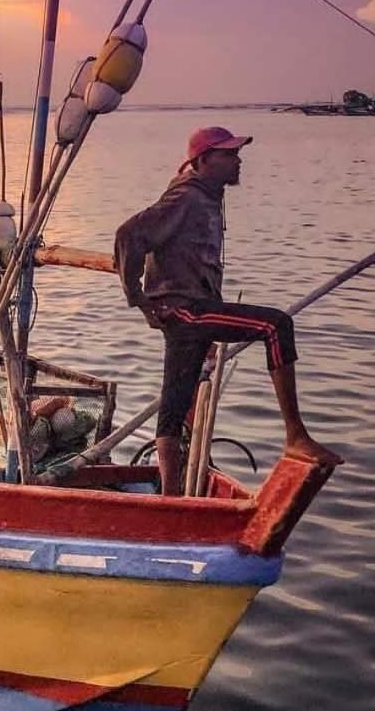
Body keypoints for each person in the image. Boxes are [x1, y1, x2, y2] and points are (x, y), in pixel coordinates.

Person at [114, 126, 342, 496]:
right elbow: (129, 235)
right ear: (203, 161)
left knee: (173, 408)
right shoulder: (186, 197)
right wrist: (138, 297)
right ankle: (296, 434)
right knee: (276, 326)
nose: (238, 161)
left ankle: (171, 501)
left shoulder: (207, 194)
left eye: (236, 154)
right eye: (229, 155)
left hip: (191, 311)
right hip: (187, 311)